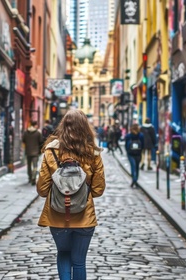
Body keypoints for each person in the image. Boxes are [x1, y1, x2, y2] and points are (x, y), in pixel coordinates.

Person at [37, 109, 106, 280]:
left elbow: (42, 189)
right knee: (79, 261)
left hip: (57, 215)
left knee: (63, 253)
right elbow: (98, 190)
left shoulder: (51, 151)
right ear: (85, 127)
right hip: (84, 216)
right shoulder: (93, 152)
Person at [22, 120, 43, 185]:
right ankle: (34, 178)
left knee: (29, 166)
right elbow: (41, 142)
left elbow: (23, 140)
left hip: (28, 151)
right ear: (35, 125)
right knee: (35, 166)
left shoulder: (25, 132)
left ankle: (30, 177)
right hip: (35, 152)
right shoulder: (38, 133)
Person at [125, 123, 144, 188]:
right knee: (137, 167)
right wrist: (140, 151)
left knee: (133, 166)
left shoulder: (128, 135)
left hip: (130, 154)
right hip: (138, 153)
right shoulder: (141, 135)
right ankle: (135, 180)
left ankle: (134, 179)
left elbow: (126, 145)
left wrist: (127, 152)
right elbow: (142, 145)